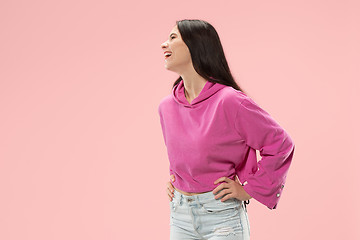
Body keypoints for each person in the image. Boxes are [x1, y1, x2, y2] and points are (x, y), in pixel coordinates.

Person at [158, 19, 295, 240]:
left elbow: (281, 144)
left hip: (222, 216)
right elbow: (186, 155)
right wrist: (177, 179)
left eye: (173, 38)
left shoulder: (229, 101)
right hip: (180, 215)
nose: (164, 44)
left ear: (196, 46)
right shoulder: (166, 107)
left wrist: (249, 189)